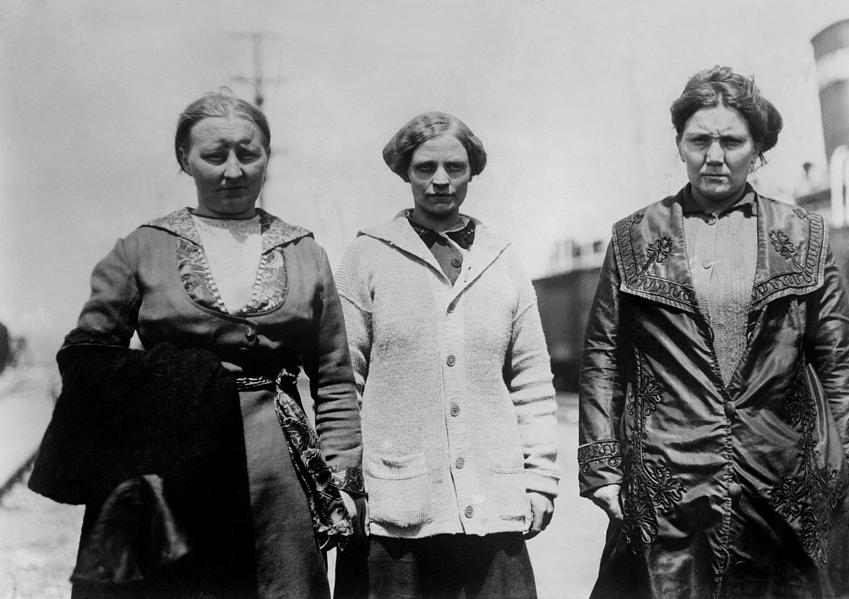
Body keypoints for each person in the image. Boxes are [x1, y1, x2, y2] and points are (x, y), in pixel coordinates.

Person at [29, 89, 364, 599]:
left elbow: (334, 376)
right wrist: (171, 384)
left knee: (281, 586)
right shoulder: (142, 247)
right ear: (185, 160)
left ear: (267, 158)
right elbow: (85, 359)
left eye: (248, 154)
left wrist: (341, 475)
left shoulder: (304, 253)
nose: (233, 171)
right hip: (171, 463)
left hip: (275, 468)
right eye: (214, 155)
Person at [578, 66, 849, 598]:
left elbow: (838, 365)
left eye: (732, 141)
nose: (715, 156)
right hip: (668, 481)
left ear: (757, 148)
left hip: (781, 479)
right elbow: (603, 359)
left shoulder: (803, 235)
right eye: (699, 140)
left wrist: (848, 476)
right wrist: (602, 467)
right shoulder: (632, 239)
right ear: (680, 145)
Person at [335, 111, 559, 598]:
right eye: (425, 168)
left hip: (490, 507)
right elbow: (342, 382)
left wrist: (540, 478)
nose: (441, 181)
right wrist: (347, 483)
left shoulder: (503, 261)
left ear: (472, 171)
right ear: (404, 172)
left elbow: (532, 379)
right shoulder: (366, 257)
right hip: (393, 511)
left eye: (455, 168)